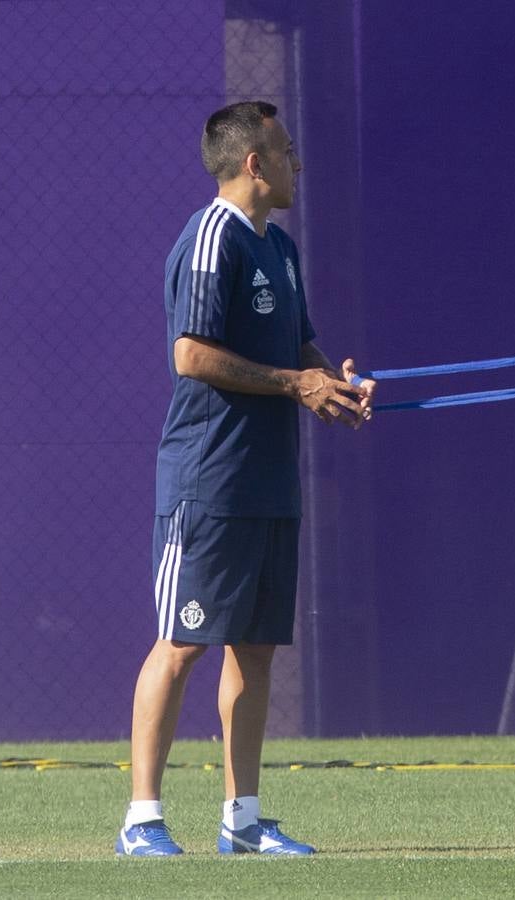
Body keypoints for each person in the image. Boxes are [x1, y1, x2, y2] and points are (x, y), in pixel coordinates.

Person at [116, 100, 374, 857]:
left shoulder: (280, 248)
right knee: (182, 644)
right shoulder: (210, 239)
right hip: (209, 480)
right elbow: (190, 355)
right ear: (255, 163)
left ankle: (242, 820)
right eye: (286, 150)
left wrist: (334, 384)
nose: (298, 161)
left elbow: (301, 348)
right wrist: (296, 384)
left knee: (254, 649)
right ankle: (141, 819)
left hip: (268, 482)